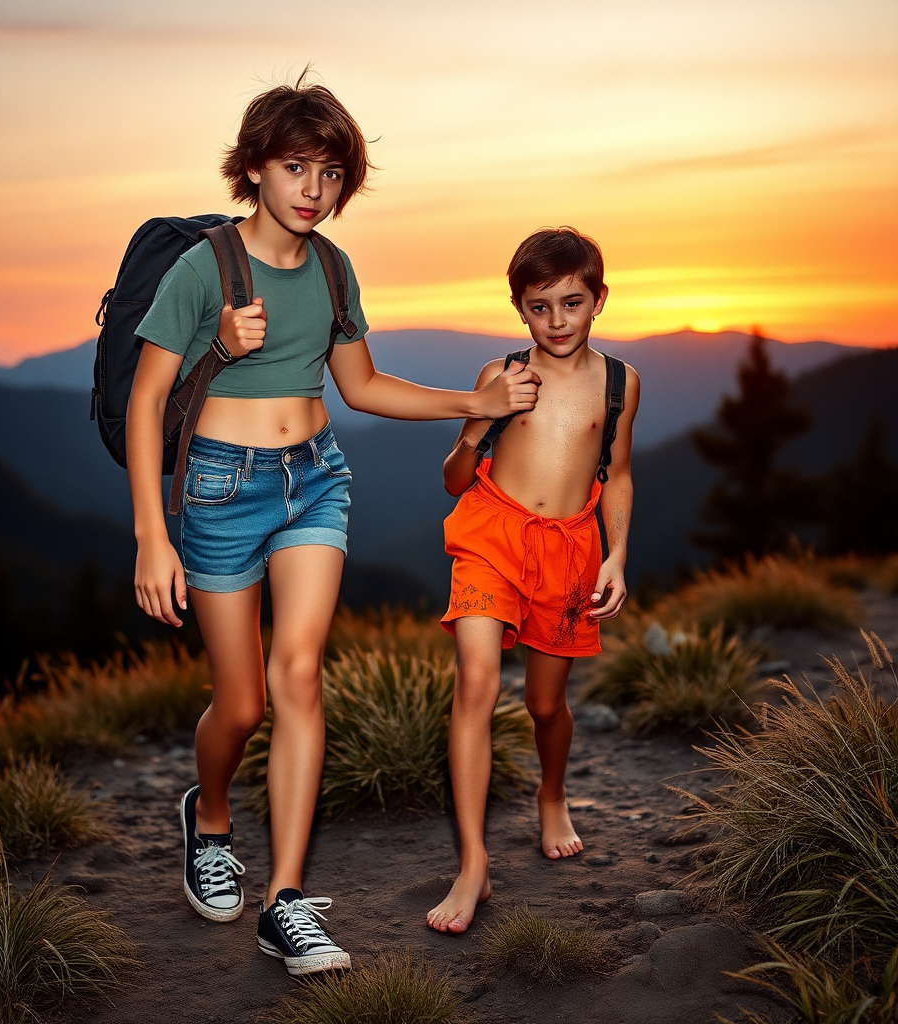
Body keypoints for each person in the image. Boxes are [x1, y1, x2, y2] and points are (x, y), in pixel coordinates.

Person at [125, 75, 541, 977]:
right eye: (295, 166)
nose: (313, 187)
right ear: (256, 170)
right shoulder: (205, 268)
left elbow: (361, 386)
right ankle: (207, 820)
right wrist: (152, 536)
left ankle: (284, 900)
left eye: (331, 172)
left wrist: (473, 400)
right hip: (219, 493)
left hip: (315, 482)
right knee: (242, 706)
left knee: (301, 673)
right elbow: (147, 394)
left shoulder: (331, 267)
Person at [426, 227, 640, 935]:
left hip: (571, 552)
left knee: (548, 706)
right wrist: (479, 417)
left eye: (571, 303)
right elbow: (456, 477)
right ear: (520, 309)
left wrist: (615, 555)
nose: (556, 321)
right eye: (540, 306)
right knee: (478, 682)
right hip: (492, 536)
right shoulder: (502, 373)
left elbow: (618, 472)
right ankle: (474, 863)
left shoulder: (620, 384)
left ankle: (552, 795)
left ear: (598, 300)